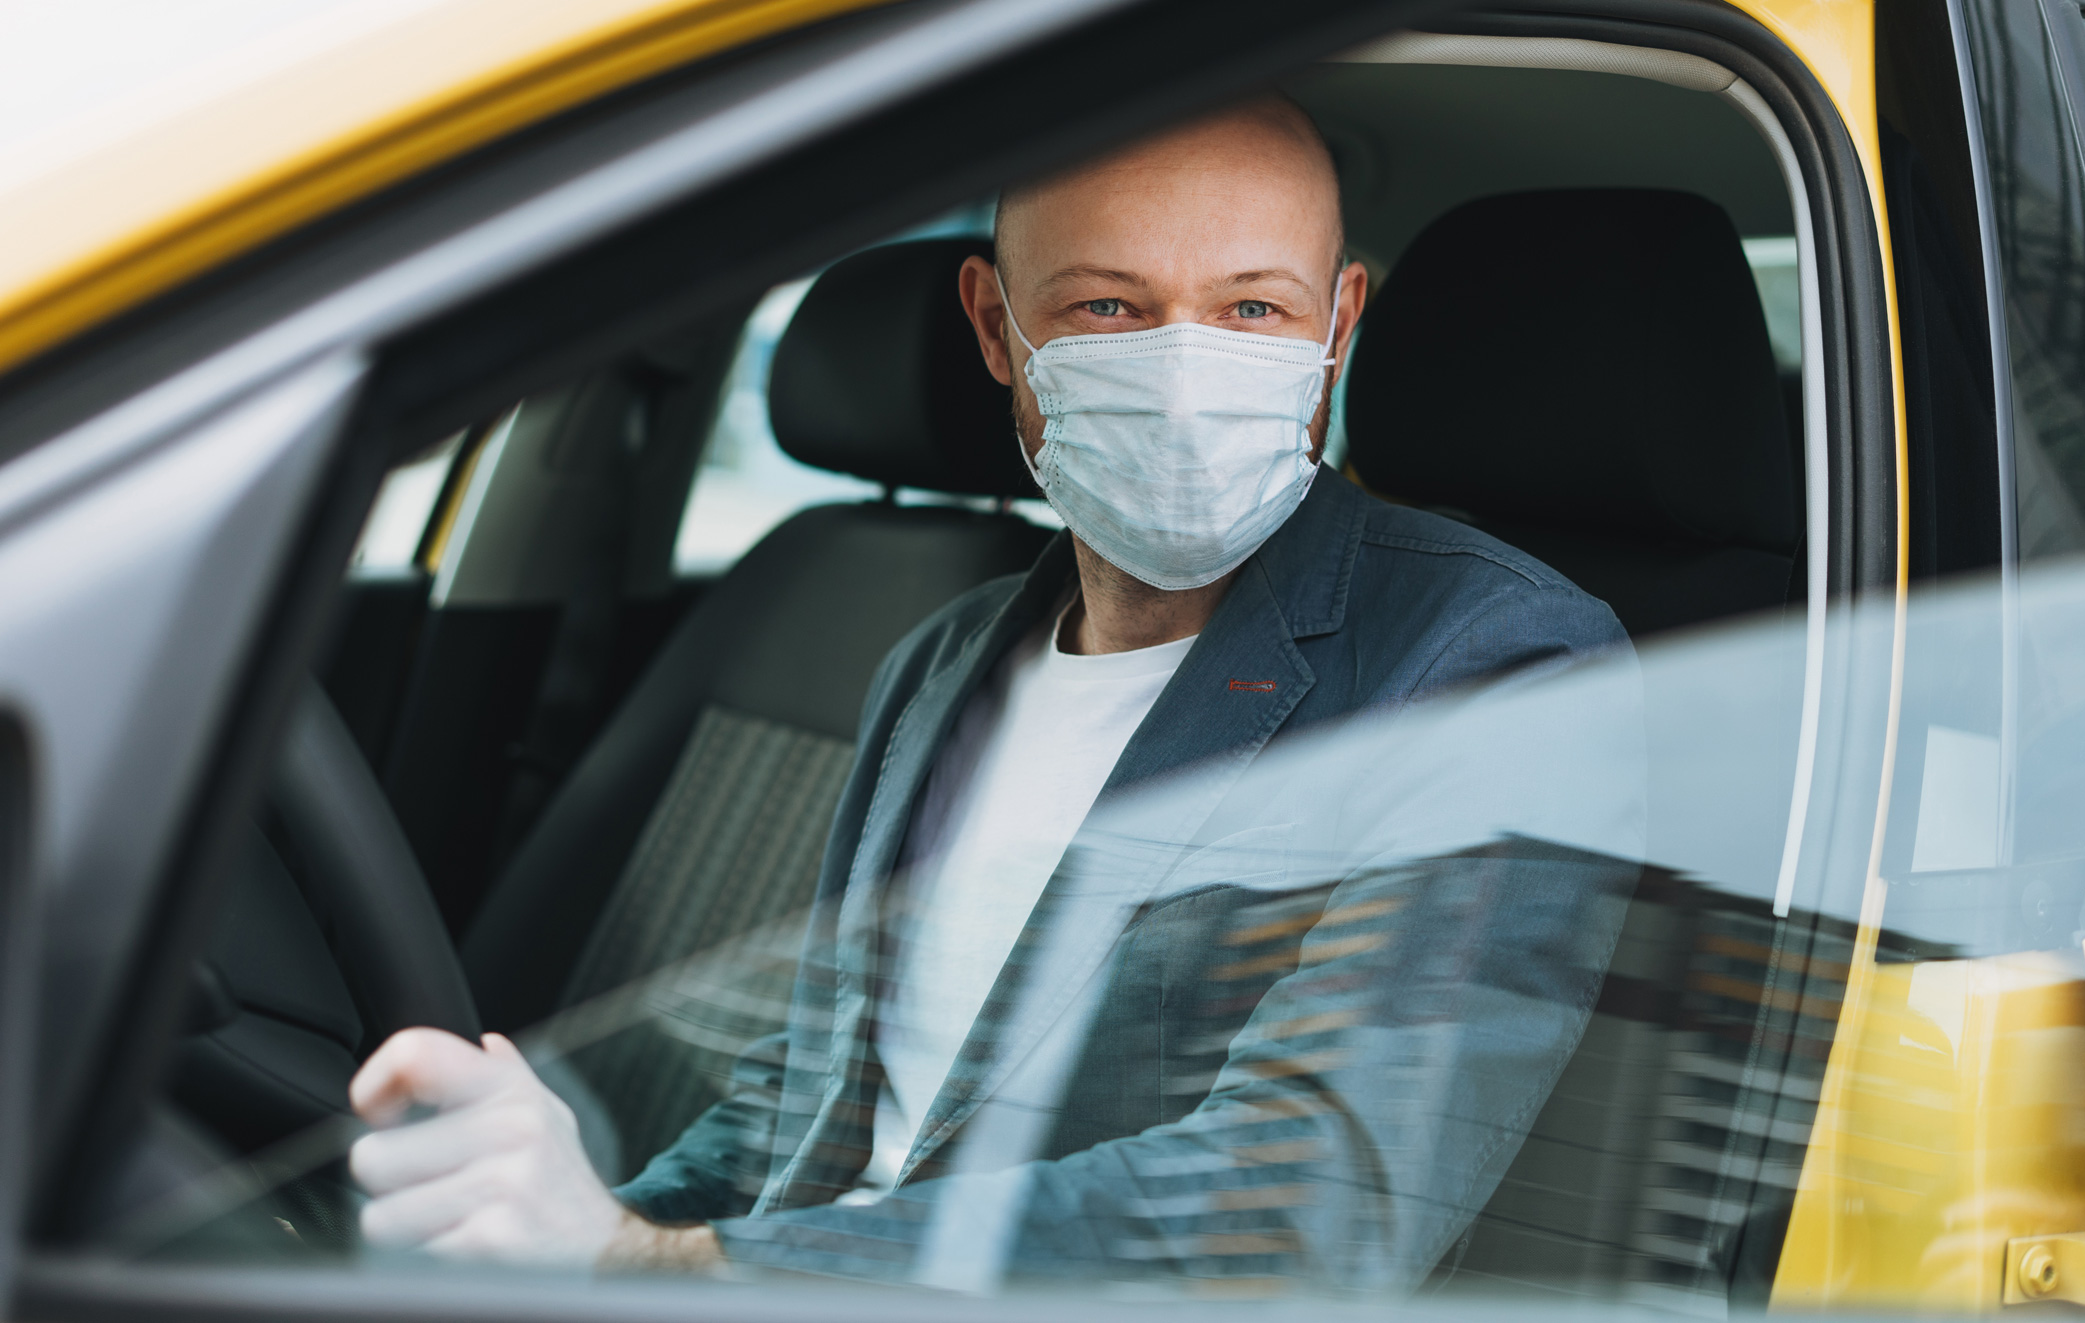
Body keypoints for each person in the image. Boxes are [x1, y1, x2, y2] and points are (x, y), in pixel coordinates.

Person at [346, 96, 1638, 1289]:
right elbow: (821, 1081)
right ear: (993, 328)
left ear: (1341, 325)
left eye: (1252, 312)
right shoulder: (943, 661)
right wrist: (575, 1238)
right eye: (1109, 310)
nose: (1186, 378)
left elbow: (1306, 1198)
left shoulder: (1498, 667)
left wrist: (649, 1265)